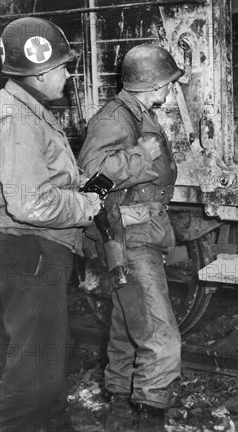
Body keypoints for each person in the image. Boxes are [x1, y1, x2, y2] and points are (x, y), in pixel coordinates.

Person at [0, 17, 101, 430]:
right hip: (32, 249)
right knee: (32, 378)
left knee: (46, 356)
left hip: (35, 250)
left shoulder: (29, 110)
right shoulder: (18, 120)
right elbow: (31, 204)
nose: (68, 73)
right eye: (62, 66)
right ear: (39, 74)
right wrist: (87, 204)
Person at [78, 44, 184, 430]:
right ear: (154, 84)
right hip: (128, 236)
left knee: (127, 323)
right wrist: (142, 154)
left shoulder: (137, 113)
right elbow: (92, 180)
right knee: (160, 334)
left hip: (142, 232)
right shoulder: (115, 118)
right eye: (169, 83)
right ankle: (148, 415)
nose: (171, 90)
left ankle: (120, 406)